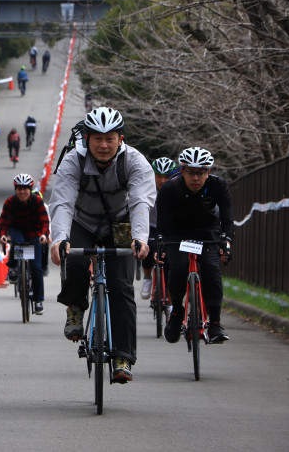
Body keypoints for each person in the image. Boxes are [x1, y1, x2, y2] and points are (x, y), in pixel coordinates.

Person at [49, 107, 156, 383]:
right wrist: (59, 238)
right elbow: (62, 201)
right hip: (82, 221)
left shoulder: (135, 161)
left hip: (120, 224)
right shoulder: (73, 160)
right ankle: (75, 306)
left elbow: (142, 201)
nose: (104, 145)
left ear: (121, 138)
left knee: (121, 286)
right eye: (97, 138)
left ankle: (122, 357)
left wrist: (140, 237)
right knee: (73, 258)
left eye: (110, 138)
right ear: (87, 139)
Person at [158, 147, 233, 344]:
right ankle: (177, 312)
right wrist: (161, 244)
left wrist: (226, 241)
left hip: (207, 232)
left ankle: (215, 323)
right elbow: (162, 221)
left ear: (208, 172)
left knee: (211, 268)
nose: (196, 178)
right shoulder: (170, 188)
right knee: (179, 267)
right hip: (177, 233)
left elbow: (227, 217)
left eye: (201, 173)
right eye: (191, 173)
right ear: (182, 171)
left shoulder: (219, 186)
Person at [0, 174, 50, 315]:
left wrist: (45, 234)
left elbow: (44, 221)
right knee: (18, 242)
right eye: (19, 189)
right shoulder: (10, 202)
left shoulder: (37, 201)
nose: (22, 192)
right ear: (15, 189)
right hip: (16, 230)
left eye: (25, 189)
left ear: (30, 189)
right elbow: (3, 223)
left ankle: (38, 300)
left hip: (34, 233)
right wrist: (2, 235)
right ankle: (13, 267)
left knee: (37, 268)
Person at [140, 157, 177, 299]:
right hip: (151, 227)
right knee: (147, 249)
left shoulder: (177, 189)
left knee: (169, 259)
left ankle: (169, 298)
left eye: (166, 177)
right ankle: (147, 278)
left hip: (170, 229)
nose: (162, 181)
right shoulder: (146, 189)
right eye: (158, 176)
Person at [33, 190, 51, 276]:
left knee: (44, 245)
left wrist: (48, 236)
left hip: (40, 231)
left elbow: (49, 222)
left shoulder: (45, 207)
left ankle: (44, 267)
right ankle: (14, 268)